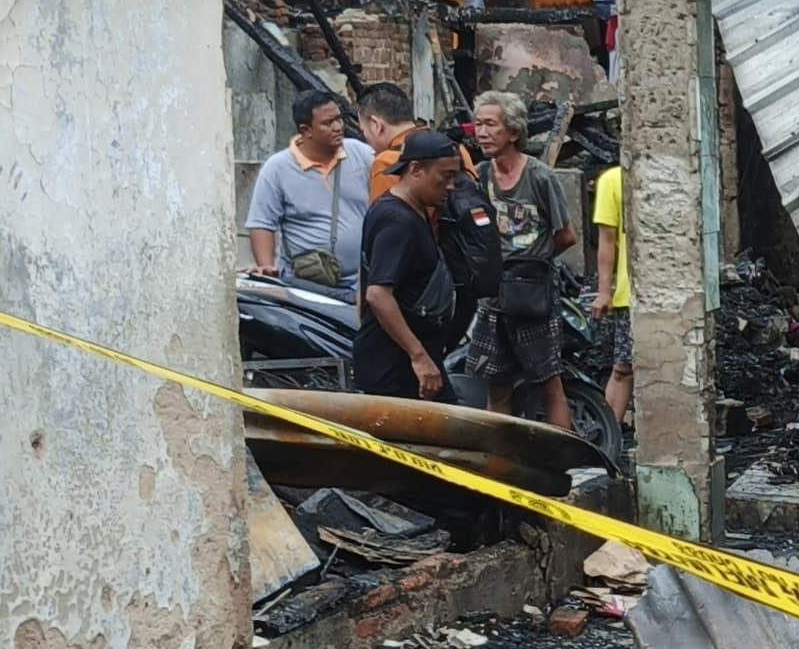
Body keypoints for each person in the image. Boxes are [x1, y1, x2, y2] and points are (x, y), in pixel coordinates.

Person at [468, 89, 579, 434]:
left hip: (532, 294)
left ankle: (566, 463)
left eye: (491, 124)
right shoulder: (480, 175)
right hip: (493, 296)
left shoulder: (540, 177)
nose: (482, 132)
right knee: (495, 383)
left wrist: (530, 263)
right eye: (478, 124)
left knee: (549, 382)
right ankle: (501, 465)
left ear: (513, 132)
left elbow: (566, 235)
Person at [354, 127, 464, 400]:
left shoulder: (413, 211)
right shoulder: (397, 221)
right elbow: (378, 294)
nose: (451, 186)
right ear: (415, 170)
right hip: (397, 367)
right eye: (446, 176)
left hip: (412, 358)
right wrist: (419, 357)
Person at [243, 88, 367, 287]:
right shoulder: (278, 168)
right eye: (328, 123)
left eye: (339, 119)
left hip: (359, 282)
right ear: (306, 130)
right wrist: (266, 269)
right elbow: (262, 224)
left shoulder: (362, 155)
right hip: (303, 283)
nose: (338, 127)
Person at [589, 161, 636, 427]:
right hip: (629, 294)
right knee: (623, 368)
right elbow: (606, 241)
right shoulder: (613, 180)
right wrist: (604, 291)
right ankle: (609, 438)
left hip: (671, 293)